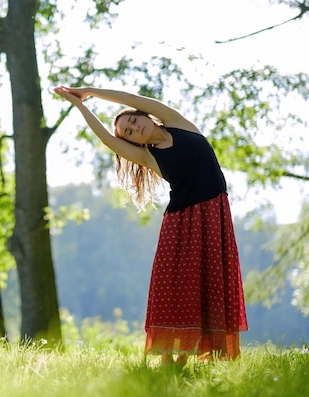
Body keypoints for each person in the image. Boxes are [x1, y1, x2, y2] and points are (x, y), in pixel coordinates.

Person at [53, 86, 248, 366]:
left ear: (144, 116)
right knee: (172, 288)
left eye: (133, 122)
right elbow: (108, 140)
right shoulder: (148, 156)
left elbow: (130, 99)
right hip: (180, 223)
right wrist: (80, 106)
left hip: (213, 215)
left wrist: (87, 92)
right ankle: (171, 359)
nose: (134, 129)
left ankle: (195, 354)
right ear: (133, 143)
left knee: (208, 283)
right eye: (129, 133)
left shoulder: (177, 123)